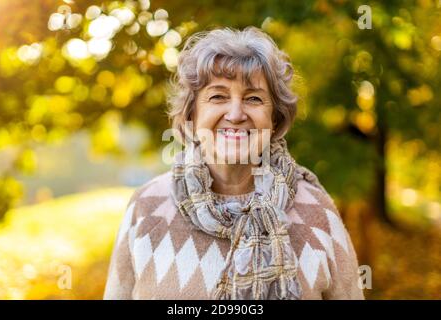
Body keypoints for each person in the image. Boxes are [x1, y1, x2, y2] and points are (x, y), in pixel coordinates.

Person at [103, 26, 364, 300]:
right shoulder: (147, 207)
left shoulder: (317, 213)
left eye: (253, 98)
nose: (236, 114)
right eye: (218, 96)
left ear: (274, 119)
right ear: (191, 114)